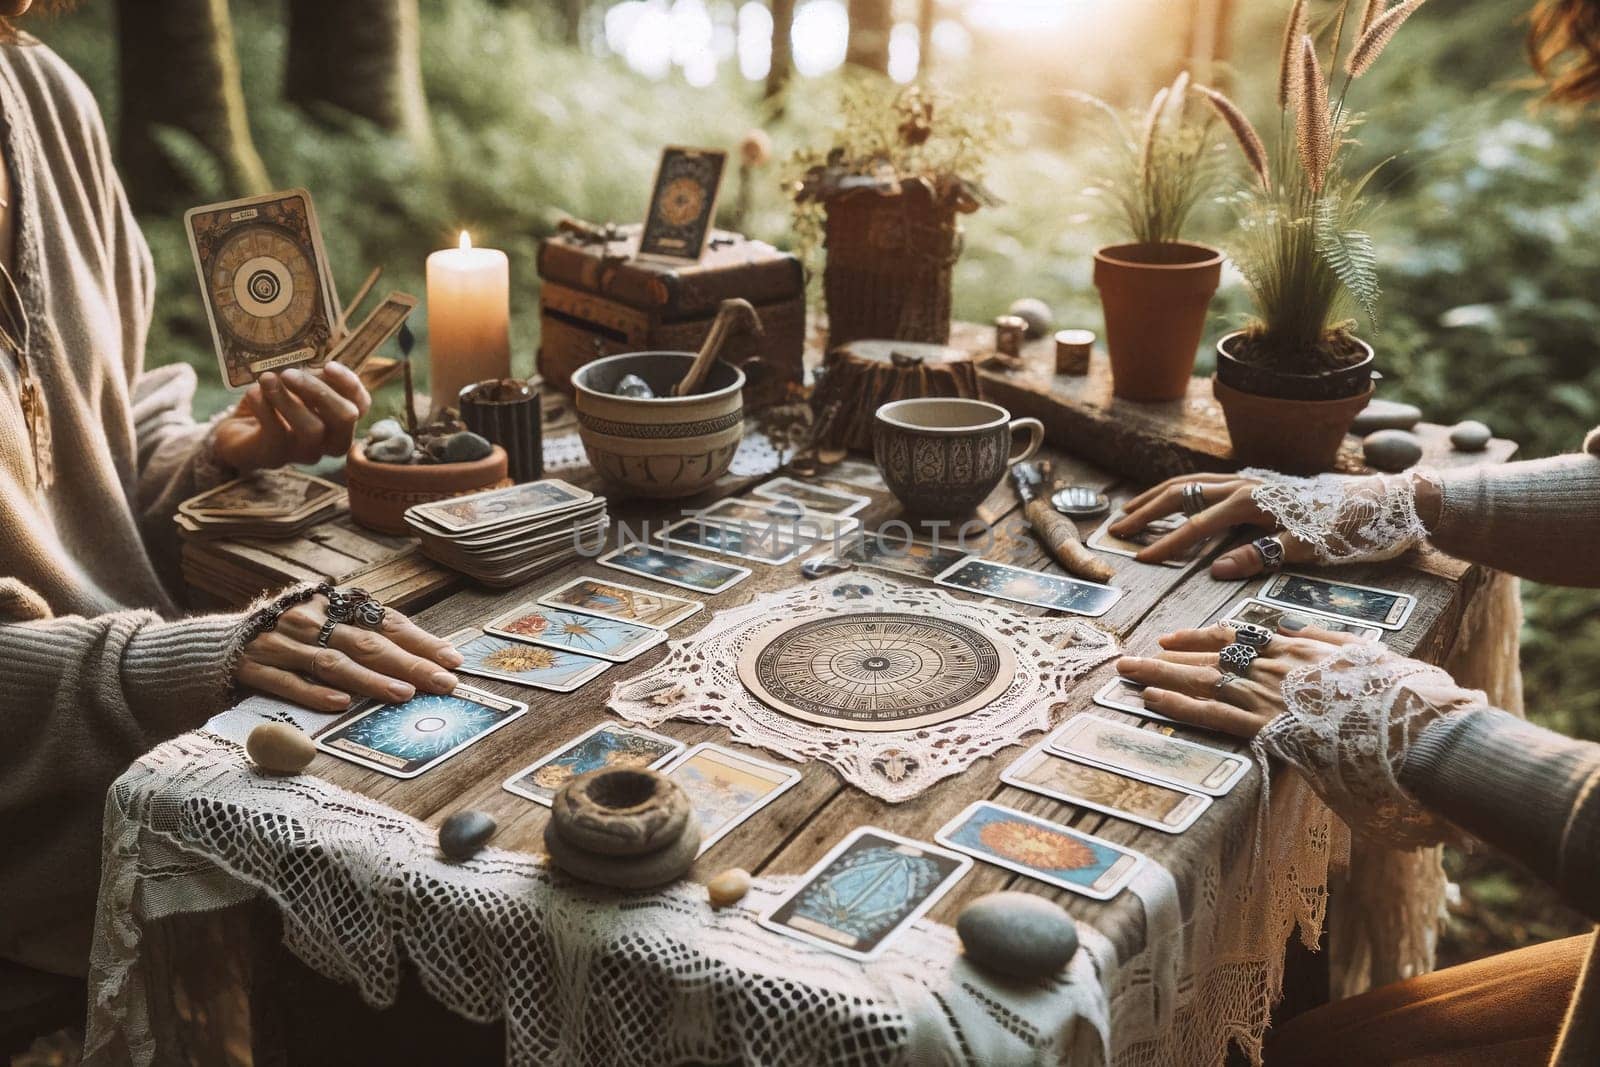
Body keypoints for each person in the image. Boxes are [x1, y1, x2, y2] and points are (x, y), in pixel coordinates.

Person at [0, 5, 462, 980]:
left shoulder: (42, 94)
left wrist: (216, 457)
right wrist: (189, 659)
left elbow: (108, 422)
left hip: (169, 739)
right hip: (44, 834)